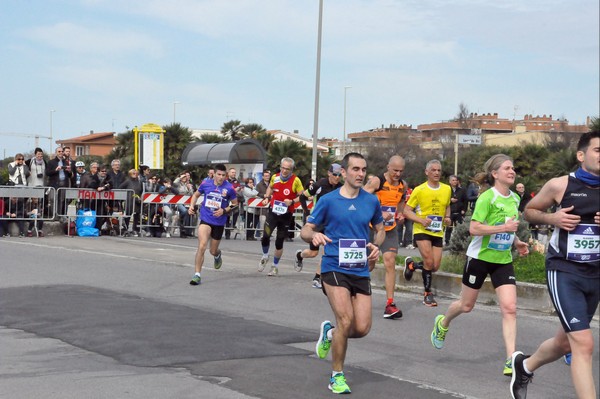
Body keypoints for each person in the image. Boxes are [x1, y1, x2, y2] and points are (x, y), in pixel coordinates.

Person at [510, 131, 599, 399]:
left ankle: (524, 366)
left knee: (564, 344)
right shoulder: (561, 185)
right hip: (564, 271)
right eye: (599, 150)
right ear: (581, 156)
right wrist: (555, 219)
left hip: (595, 274)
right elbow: (530, 211)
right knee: (583, 344)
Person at [430, 154, 529, 377]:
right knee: (466, 306)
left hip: (502, 260)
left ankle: (510, 359)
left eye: (513, 168)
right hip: (479, 258)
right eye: (507, 168)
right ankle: (443, 323)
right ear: (495, 174)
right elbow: (474, 229)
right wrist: (503, 230)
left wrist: (517, 241)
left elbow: (509, 227)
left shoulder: (514, 199)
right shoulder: (487, 198)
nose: (512, 172)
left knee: (510, 308)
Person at [302, 152, 384, 394]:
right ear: (344, 173)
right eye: (356, 169)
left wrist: (376, 245)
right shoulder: (328, 200)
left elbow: (380, 229)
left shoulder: (371, 201)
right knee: (346, 319)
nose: (360, 174)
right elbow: (306, 230)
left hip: (360, 269)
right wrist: (314, 235)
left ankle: (331, 332)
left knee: (361, 328)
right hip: (334, 266)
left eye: (363, 170)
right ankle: (337, 375)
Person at [403, 159, 452, 307]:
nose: (437, 173)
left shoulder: (447, 189)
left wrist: (448, 217)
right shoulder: (419, 189)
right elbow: (406, 211)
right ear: (427, 172)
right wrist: (420, 220)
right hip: (421, 230)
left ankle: (412, 265)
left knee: (435, 266)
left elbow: (447, 206)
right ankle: (427, 294)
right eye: (433, 170)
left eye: (439, 170)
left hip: (437, 231)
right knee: (429, 262)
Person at [363, 155, 407, 319]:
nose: (397, 174)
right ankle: (358, 286)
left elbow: (401, 201)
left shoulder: (402, 185)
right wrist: (378, 212)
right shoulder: (377, 181)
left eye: (401, 171)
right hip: (371, 228)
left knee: (390, 261)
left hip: (390, 229)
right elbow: (362, 197)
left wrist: (400, 214)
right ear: (388, 167)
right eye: (395, 170)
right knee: (370, 262)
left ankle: (390, 304)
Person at [188, 164, 238, 285]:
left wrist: (224, 210)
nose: (221, 177)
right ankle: (197, 275)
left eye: (223, 175)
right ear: (214, 174)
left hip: (219, 222)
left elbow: (235, 204)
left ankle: (217, 254)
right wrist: (191, 206)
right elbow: (195, 195)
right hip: (206, 219)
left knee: (212, 250)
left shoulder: (229, 188)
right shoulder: (206, 184)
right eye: (219, 174)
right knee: (202, 246)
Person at [295, 163, 343, 288]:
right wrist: (306, 213)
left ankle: (317, 277)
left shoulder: (342, 188)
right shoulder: (319, 184)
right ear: (329, 173)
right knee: (313, 253)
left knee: (326, 250)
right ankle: (299, 255)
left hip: (331, 223)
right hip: (318, 222)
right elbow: (302, 197)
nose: (337, 177)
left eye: (339, 175)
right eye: (335, 174)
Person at [258, 157, 304, 276]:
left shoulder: (296, 181)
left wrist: (292, 201)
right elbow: (270, 187)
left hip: (286, 215)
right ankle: (265, 256)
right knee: (265, 236)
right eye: (282, 168)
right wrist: (267, 198)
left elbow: (302, 196)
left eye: (287, 169)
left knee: (279, 242)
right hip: (273, 212)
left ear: (292, 169)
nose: (284, 171)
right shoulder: (275, 177)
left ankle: (275, 266)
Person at [444, 175, 468, 246]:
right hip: (450, 212)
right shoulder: (447, 190)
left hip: (459, 211)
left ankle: (460, 242)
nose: (455, 182)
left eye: (456, 180)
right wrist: (450, 200)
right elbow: (443, 200)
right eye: (453, 180)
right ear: (450, 181)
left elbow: (465, 200)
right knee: (449, 227)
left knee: (460, 227)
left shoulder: (462, 190)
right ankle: (447, 242)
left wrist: (464, 209)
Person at [224, 168, 242, 240]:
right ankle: (227, 233)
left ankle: (232, 225)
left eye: (234, 172)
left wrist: (237, 190)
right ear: (228, 173)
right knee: (227, 217)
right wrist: (234, 190)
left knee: (236, 213)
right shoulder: (225, 181)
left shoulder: (237, 181)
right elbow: (225, 190)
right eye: (232, 172)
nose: (234, 174)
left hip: (234, 201)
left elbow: (240, 189)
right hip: (227, 201)